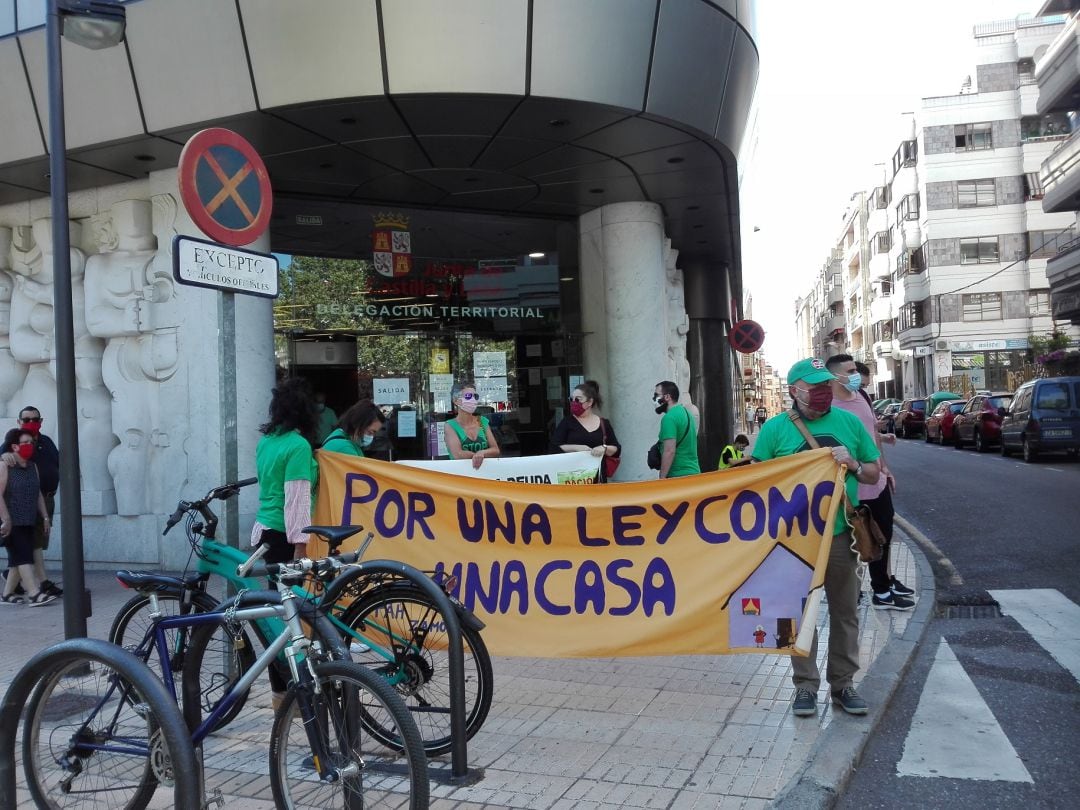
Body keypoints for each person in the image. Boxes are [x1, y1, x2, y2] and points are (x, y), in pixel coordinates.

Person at [750, 358, 881, 718]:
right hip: (793, 540)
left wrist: (853, 463)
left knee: (846, 613)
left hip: (840, 535)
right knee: (793, 615)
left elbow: (873, 474)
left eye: (826, 384)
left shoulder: (849, 423)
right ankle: (804, 687)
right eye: (814, 386)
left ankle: (843, 685)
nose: (823, 392)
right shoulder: (776, 429)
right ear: (794, 391)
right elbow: (755, 483)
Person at [826, 354, 913, 611]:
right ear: (835, 376)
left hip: (875, 480)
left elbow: (871, 436)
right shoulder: (829, 407)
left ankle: (882, 589)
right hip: (850, 486)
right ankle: (860, 591)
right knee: (854, 540)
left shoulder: (862, 397)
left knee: (882, 534)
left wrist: (885, 469)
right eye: (850, 370)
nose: (856, 375)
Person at [250, 378, 318, 565]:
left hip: (265, 526)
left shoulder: (266, 441)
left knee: (275, 591)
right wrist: (300, 544)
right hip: (285, 534)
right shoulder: (298, 446)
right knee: (289, 593)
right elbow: (297, 498)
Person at [1, 406, 61, 597]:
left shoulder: (46, 442)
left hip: (45, 498)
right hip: (21, 504)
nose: (31, 423)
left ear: (41, 421)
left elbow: (58, 463)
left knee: (35, 543)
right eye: (26, 420)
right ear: (19, 422)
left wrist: (44, 515)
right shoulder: (13, 444)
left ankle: (10, 589)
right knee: (28, 546)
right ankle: (38, 587)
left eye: (35, 419)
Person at [549, 380, 621, 482]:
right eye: (572, 399)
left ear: (590, 402)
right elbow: (554, 447)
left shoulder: (604, 423)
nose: (574, 403)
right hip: (571, 479)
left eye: (578, 400)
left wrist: (604, 448)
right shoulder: (567, 422)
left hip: (598, 479)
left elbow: (616, 449)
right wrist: (576, 448)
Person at [445, 381, 500, 469]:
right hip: (461, 475)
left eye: (475, 396)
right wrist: (478, 456)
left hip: (484, 474)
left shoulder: (482, 421)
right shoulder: (450, 425)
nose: (473, 400)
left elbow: (495, 450)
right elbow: (457, 454)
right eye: (468, 396)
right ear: (455, 401)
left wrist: (482, 453)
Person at [653, 380, 699, 478]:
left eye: (656, 395)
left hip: (678, 476)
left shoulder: (669, 418)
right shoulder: (687, 414)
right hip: (694, 473)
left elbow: (669, 451)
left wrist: (661, 478)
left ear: (667, 397)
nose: (654, 399)